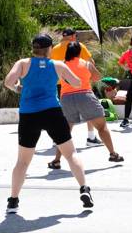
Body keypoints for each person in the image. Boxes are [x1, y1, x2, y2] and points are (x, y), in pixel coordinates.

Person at [4, 34, 93, 214]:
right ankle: (84, 189)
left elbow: (8, 82)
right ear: (50, 48)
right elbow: (77, 82)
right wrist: (64, 77)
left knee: (22, 161)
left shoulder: (22, 63)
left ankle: (13, 201)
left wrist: (18, 88)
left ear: (33, 48)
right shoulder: (58, 65)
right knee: (70, 153)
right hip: (52, 112)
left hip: (29, 114)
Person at [47, 42, 124, 170]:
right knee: (101, 127)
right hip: (85, 96)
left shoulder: (61, 65)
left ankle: (56, 160)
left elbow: (52, 80)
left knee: (64, 132)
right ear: (79, 52)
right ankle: (113, 154)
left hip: (66, 98)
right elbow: (97, 77)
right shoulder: (86, 64)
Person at [51, 28, 100, 146]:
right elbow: (90, 62)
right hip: (81, 84)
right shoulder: (79, 46)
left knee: (63, 113)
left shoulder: (54, 49)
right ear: (73, 36)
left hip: (61, 84)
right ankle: (91, 137)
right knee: (89, 111)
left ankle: (58, 139)